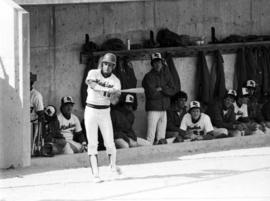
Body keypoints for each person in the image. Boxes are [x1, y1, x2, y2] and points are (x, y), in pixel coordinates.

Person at [84, 53, 122, 183]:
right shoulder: (93, 73)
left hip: (105, 112)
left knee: (109, 143)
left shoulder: (116, 81)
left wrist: (115, 94)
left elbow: (114, 102)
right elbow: (91, 84)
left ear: (113, 66)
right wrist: (106, 91)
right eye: (105, 64)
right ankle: (95, 174)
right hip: (91, 111)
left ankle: (113, 167)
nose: (107, 67)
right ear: (102, 64)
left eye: (110, 65)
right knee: (93, 143)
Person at [142, 52, 175, 145]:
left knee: (161, 137)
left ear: (162, 62)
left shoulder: (167, 75)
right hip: (153, 109)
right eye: (155, 62)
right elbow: (151, 94)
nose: (157, 64)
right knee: (150, 137)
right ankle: (147, 156)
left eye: (159, 62)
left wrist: (162, 89)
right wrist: (166, 91)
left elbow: (173, 90)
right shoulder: (148, 76)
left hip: (164, 109)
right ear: (152, 64)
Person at [30, 72, 45, 156]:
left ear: (31, 83)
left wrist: (41, 133)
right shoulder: (20, 92)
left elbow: (41, 114)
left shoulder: (36, 95)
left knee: (31, 149)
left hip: (32, 124)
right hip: (20, 123)